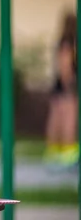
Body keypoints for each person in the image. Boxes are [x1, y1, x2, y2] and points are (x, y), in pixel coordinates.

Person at [44, 11, 78, 169]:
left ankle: (54, 150)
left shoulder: (61, 41)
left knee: (56, 114)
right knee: (68, 114)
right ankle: (68, 151)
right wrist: (68, 84)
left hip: (58, 83)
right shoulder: (69, 42)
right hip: (67, 83)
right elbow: (65, 65)